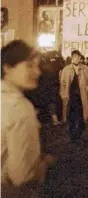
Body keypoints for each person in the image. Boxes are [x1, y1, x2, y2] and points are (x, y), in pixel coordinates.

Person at [1, 40, 53, 197]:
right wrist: (42, 165)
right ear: (8, 68)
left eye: (37, 66)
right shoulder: (20, 108)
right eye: (29, 66)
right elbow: (22, 175)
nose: (37, 72)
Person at [60, 50, 88, 142]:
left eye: (78, 57)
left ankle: (79, 133)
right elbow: (63, 83)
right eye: (75, 56)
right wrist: (63, 95)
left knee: (82, 117)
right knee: (70, 117)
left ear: (80, 58)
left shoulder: (86, 69)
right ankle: (72, 135)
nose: (77, 58)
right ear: (72, 58)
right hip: (70, 97)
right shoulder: (66, 69)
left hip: (82, 97)